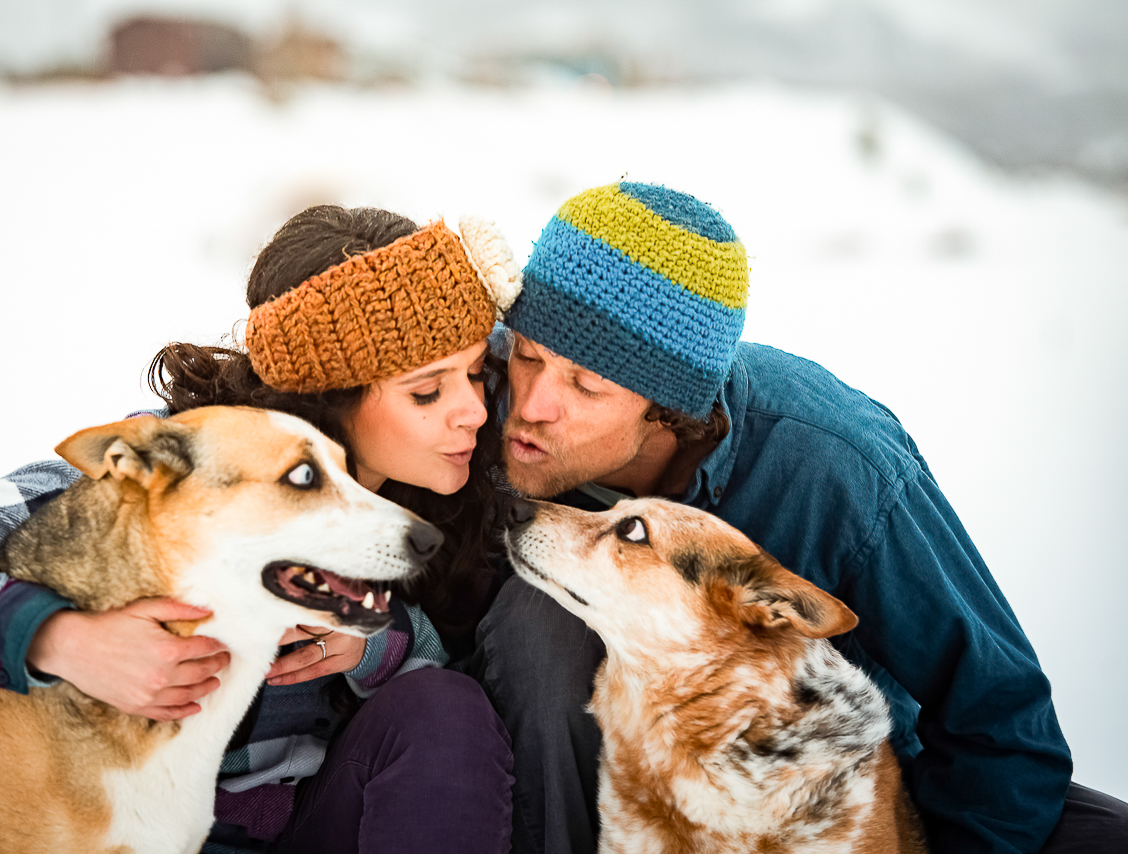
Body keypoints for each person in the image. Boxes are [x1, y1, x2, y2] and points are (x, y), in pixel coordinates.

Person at [466, 181, 1128, 854]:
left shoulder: (836, 466)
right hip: (583, 792)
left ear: (668, 410)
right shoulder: (468, 393)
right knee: (540, 623)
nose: (533, 404)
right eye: (527, 355)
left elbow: (1000, 716)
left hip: (823, 805)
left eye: (586, 386)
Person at [0, 205, 519, 854]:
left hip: (318, 814)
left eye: (474, 375)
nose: (472, 412)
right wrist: (61, 638)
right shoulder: (179, 469)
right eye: (426, 392)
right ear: (326, 394)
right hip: (119, 819)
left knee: (446, 709)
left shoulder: (454, 485)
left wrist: (377, 643)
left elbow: (476, 708)